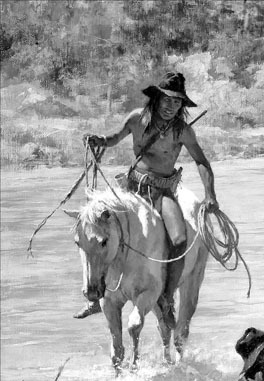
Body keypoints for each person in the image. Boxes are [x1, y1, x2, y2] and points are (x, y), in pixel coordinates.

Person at [74, 71, 217, 326]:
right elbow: (113, 139)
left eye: (177, 102)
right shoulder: (136, 119)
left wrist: (210, 195)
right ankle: (96, 295)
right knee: (94, 230)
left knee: (179, 238)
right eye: (167, 100)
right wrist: (98, 141)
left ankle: (166, 298)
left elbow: (202, 162)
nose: (172, 106)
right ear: (157, 99)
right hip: (131, 189)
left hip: (162, 192)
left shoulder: (182, 131)